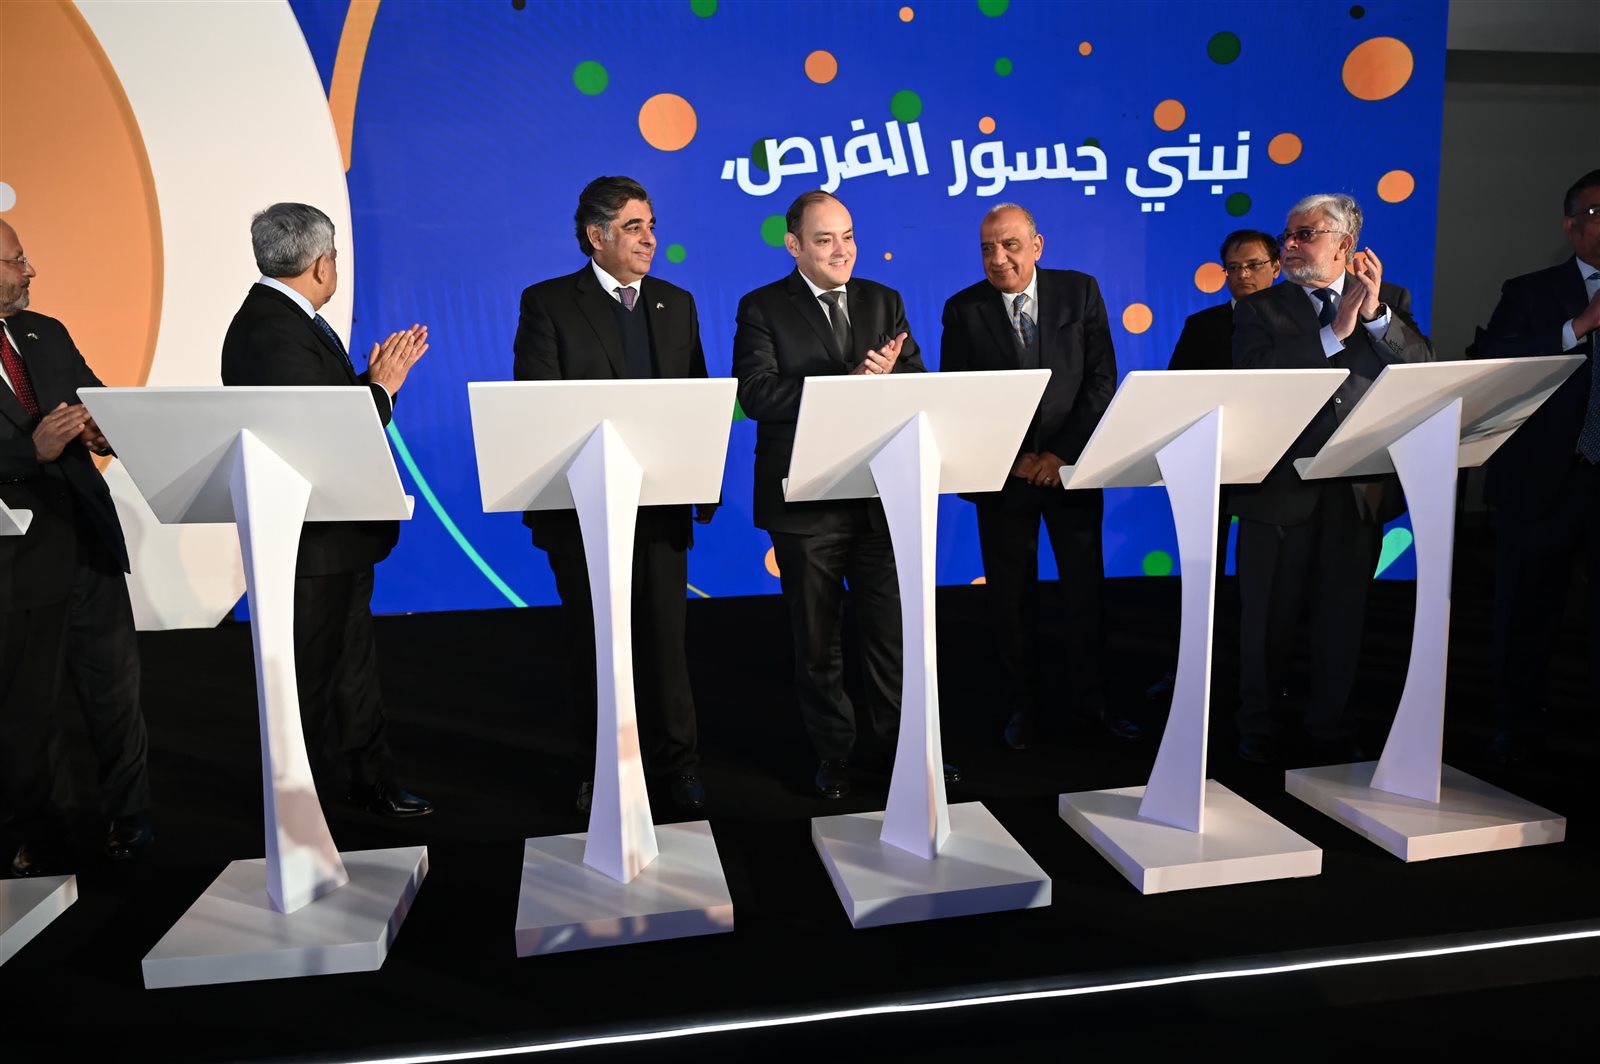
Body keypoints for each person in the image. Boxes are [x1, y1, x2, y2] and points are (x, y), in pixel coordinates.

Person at [734, 190, 954, 800]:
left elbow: (916, 383)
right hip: (804, 504)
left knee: (892, 637)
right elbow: (757, 394)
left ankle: (904, 753)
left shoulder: (885, 300)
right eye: (825, 239)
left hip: (880, 497)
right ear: (794, 245)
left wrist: (889, 381)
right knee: (818, 642)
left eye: (848, 236)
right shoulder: (761, 307)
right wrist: (847, 383)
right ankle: (834, 755)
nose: (842, 250)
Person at [220, 202, 433, 817]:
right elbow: (317, 434)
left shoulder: (286, 320)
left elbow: (319, 409)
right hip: (309, 538)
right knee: (310, 676)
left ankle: (368, 780)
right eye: (334, 256)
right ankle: (302, 806)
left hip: (335, 534)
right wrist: (381, 388)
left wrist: (368, 384)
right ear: (320, 264)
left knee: (351, 668)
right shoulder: (270, 329)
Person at [513, 176, 713, 814]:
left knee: (666, 645)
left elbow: (698, 400)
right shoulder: (548, 304)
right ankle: (601, 771)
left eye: (651, 225)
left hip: (660, 507)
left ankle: (678, 768)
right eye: (633, 227)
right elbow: (540, 407)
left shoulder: (677, 303)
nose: (649, 238)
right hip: (583, 512)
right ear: (595, 236)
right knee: (595, 644)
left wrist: (701, 484)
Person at [1231, 193, 1434, 764]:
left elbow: (1423, 368)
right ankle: (1257, 726)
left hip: (1357, 491)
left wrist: (1374, 317)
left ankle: (1330, 728)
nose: (1290, 245)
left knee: (1342, 620)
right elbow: (1254, 381)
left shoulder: (1389, 300)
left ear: (1345, 245)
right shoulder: (1259, 308)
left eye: (1306, 235)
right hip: (1279, 492)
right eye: (1288, 235)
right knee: (1266, 623)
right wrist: (1333, 333)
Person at [940, 203, 1133, 750]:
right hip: (1005, 479)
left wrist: (1059, 455)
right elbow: (960, 398)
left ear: (1037, 245)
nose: (998, 258)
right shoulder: (963, 309)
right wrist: (1017, 460)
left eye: (1009, 245)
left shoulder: (1079, 291)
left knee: (1084, 594)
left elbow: (1101, 379)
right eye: (987, 248)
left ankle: (1092, 704)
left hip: (1071, 471)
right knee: (1010, 599)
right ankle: (1022, 707)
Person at [0, 218, 154, 876]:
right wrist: (28, 452)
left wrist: (103, 431)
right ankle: (39, 830)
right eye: (16, 260)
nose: (29, 270)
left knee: (115, 692)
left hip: (87, 541)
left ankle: (130, 816)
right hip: (16, 559)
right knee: (29, 708)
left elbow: (97, 405)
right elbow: (30, 445)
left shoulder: (46, 333)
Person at [1475, 169, 1600, 765]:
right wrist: (1578, 327)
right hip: (1546, 476)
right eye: (1598, 213)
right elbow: (1493, 365)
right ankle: (1516, 724)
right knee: (1528, 610)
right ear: (1571, 226)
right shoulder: (1530, 292)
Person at [1147, 229, 1282, 704]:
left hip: (1275, 473)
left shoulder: (1299, 324)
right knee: (1200, 577)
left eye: (1253, 265)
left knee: (1266, 586)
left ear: (1276, 267)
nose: (1242, 275)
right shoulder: (1202, 325)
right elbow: (1175, 393)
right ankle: (1187, 672)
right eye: (1233, 268)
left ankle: (1261, 680)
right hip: (1211, 467)